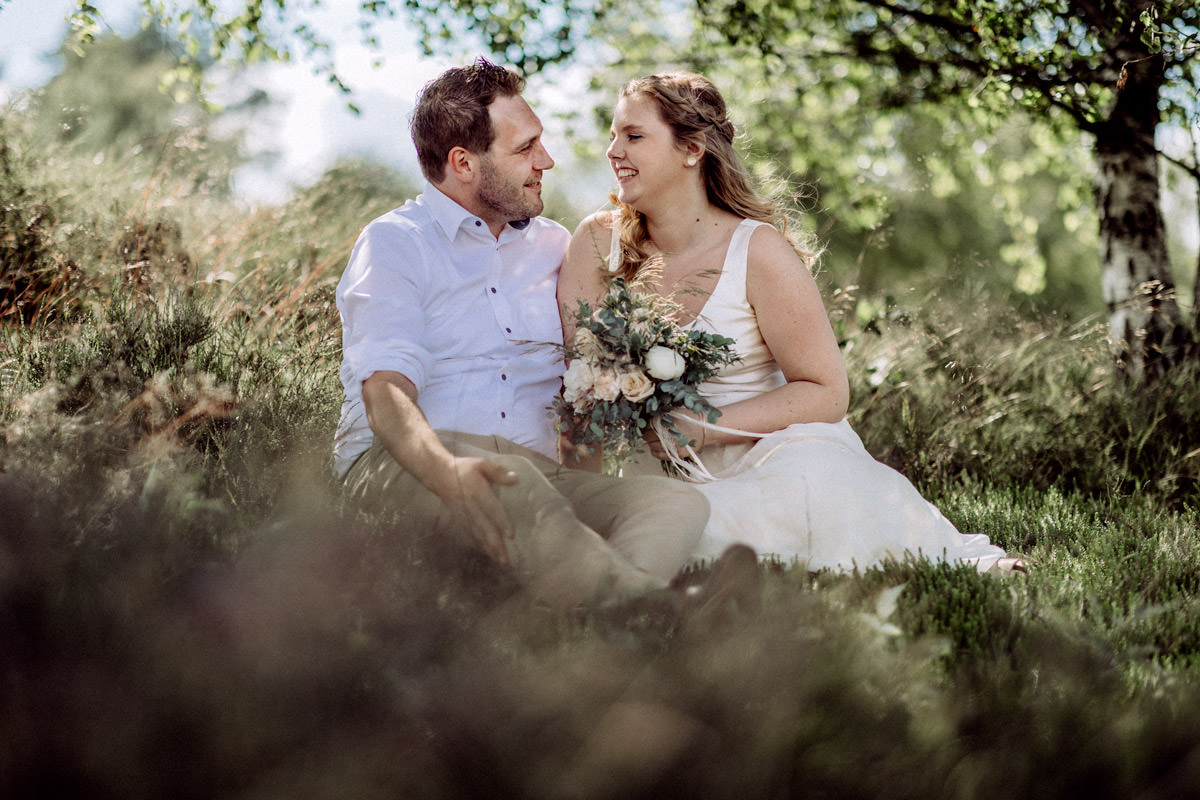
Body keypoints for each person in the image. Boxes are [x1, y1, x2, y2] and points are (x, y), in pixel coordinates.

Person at [557, 71, 1023, 575]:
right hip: (652, 470)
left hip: (767, 455)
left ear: (692, 149)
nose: (613, 151)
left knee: (814, 488)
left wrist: (698, 427)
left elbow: (826, 391)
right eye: (612, 135)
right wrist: (579, 501)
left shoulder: (757, 251)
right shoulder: (594, 244)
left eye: (633, 136)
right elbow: (581, 395)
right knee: (660, 524)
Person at [333, 58, 714, 609]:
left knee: (674, 504)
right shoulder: (395, 242)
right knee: (516, 482)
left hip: (538, 476)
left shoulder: (556, 247)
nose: (547, 161)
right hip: (409, 463)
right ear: (463, 163)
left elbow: (581, 386)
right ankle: (658, 611)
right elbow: (384, 389)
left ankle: (611, 613)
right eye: (525, 149)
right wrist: (446, 471)